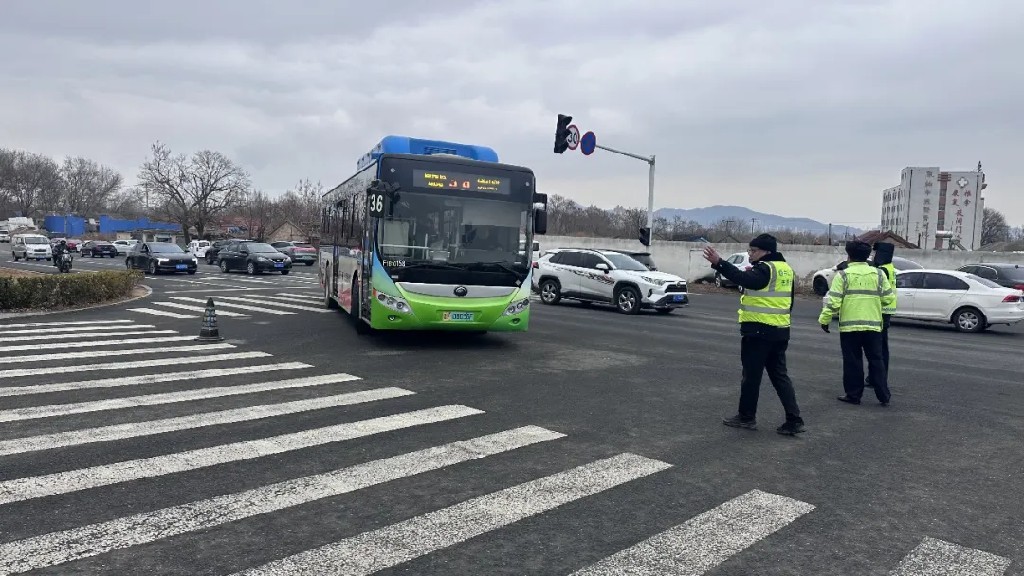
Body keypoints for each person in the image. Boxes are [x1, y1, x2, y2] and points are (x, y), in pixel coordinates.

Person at [703, 233, 805, 436]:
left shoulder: (765, 269)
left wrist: (719, 263)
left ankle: (746, 417)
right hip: (780, 330)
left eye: (754, 250)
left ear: (766, 252)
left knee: (751, 376)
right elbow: (788, 301)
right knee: (780, 376)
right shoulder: (785, 269)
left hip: (759, 331)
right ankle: (794, 419)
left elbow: (744, 279)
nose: (750, 254)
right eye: (749, 250)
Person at [818, 240, 895, 406]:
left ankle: (854, 395)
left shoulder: (843, 275)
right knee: (876, 360)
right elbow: (888, 299)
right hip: (873, 326)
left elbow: (833, 302)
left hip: (850, 327)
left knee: (853, 361)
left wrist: (825, 320)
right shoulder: (879, 274)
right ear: (867, 256)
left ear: (849, 256)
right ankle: (884, 395)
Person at [866, 242, 897, 389]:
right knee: (882, 347)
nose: (874, 256)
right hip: (887, 311)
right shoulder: (890, 267)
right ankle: (876, 377)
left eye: (876, 253)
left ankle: (877, 379)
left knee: (877, 349)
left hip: (881, 311)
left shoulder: (882, 270)